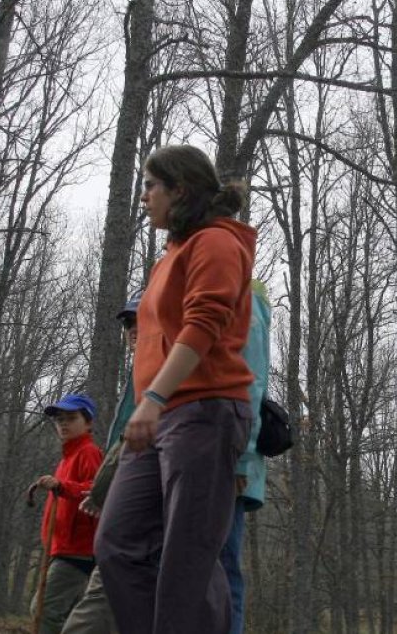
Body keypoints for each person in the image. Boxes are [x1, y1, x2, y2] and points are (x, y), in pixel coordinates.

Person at [95, 144, 255, 634]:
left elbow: (204, 324)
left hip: (203, 412)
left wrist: (155, 397)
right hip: (158, 421)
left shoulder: (217, 242)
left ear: (179, 189)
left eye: (150, 186)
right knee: (116, 544)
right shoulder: (173, 254)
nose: (143, 197)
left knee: (187, 561)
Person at [60, 293, 141, 634]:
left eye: (142, 320)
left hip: (135, 516)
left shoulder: (164, 373)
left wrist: (101, 490)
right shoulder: (138, 373)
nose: (133, 329)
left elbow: (134, 439)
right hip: (115, 518)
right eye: (127, 324)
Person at [219, 279, 271, 634]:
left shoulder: (247, 297)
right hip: (200, 455)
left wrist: (240, 459)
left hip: (230, 459)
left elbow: (251, 385)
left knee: (223, 568)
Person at [32, 393, 105, 634]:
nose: (63, 423)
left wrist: (62, 487)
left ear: (88, 422)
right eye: (59, 419)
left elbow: (98, 490)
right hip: (62, 548)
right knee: (69, 617)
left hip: (78, 550)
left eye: (71, 418)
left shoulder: (88, 452)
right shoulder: (67, 457)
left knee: (43, 610)